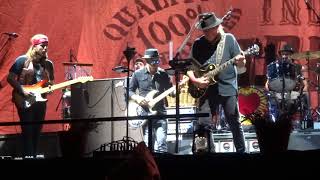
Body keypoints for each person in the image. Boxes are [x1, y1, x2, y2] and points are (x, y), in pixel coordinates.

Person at [187, 12, 247, 153]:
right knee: (203, 124)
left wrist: (242, 61)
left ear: (217, 27)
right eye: (204, 30)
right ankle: (207, 153)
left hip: (227, 87)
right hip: (206, 90)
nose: (207, 33)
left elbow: (241, 66)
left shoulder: (229, 40)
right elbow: (189, 67)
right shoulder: (198, 44)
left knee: (233, 121)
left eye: (209, 29)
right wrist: (196, 81)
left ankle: (241, 152)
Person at [7, 34, 54, 158]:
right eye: (42, 46)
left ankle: (33, 156)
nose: (45, 49)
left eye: (46, 46)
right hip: (24, 99)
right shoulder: (22, 60)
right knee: (27, 131)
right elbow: (10, 78)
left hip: (41, 101)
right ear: (34, 46)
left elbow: (50, 82)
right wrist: (21, 89)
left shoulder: (48, 64)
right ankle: (28, 158)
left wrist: (50, 87)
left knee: (37, 131)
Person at [128, 48, 173, 153]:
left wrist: (175, 91)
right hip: (145, 113)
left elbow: (170, 91)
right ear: (147, 61)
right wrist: (137, 98)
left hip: (161, 113)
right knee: (149, 146)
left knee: (162, 143)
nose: (156, 63)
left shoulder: (163, 74)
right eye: (154, 61)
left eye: (157, 60)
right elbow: (129, 91)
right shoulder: (138, 74)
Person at [265, 44, 311, 128]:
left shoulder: (297, 67)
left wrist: (303, 89)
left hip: (293, 92)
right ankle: (274, 123)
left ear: (291, 55)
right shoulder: (276, 67)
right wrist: (268, 91)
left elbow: (304, 82)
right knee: (270, 97)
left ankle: (306, 121)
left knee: (306, 95)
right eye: (283, 54)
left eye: (287, 54)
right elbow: (268, 83)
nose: (285, 56)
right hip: (278, 92)